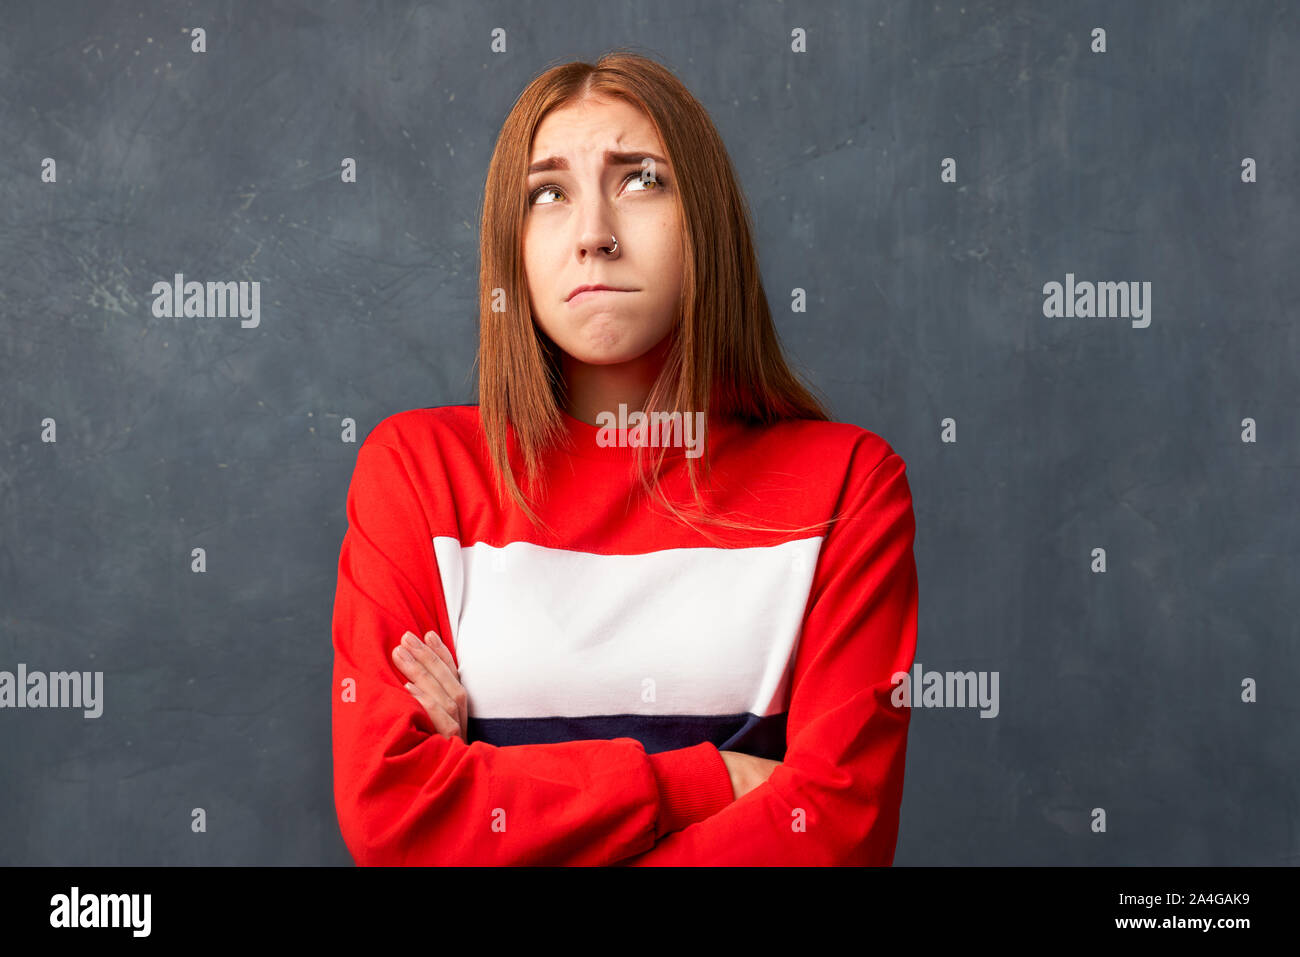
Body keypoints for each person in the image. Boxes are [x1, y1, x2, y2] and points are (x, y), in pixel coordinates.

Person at [330, 50, 919, 866]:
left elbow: (831, 836)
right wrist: (709, 783)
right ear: (513, 245)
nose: (594, 236)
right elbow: (396, 819)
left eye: (640, 180)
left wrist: (493, 780)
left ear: (706, 219)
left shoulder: (848, 484)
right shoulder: (418, 474)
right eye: (548, 193)